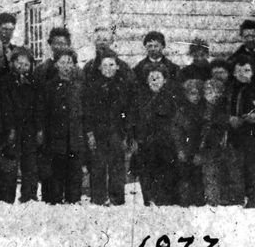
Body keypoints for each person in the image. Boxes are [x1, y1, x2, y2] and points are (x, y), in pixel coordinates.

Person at [83, 49, 131, 206]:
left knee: (117, 166)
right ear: (99, 68)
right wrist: (90, 134)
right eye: (105, 65)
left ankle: (117, 200)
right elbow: (88, 112)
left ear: (117, 66)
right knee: (98, 166)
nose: (108, 68)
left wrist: (126, 134)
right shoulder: (93, 87)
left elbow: (128, 111)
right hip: (99, 133)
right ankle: (98, 199)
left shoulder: (123, 86)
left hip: (117, 132)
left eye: (112, 64)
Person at [0, 47, 43, 203]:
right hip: (11, 129)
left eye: (26, 64)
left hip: (29, 129)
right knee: (8, 166)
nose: (22, 67)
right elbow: (5, 107)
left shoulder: (34, 83)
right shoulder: (5, 82)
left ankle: (29, 198)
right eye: (19, 63)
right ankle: (5, 200)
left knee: (30, 166)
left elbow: (38, 107)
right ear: (12, 63)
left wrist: (39, 129)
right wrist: (10, 129)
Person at [225, 54, 255, 208]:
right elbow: (218, 112)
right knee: (235, 168)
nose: (242, 74)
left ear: (252, 72)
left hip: (254, 135)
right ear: (233, 72)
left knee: (254, 168)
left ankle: (253, 199)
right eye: (238, 70)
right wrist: (229, 119)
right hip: (234, 136)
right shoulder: (228, 90)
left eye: (246, 70)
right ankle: (237, 199)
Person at [42, 49, 84, 204]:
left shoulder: (79, 87)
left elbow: (84, 113)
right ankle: (55, 202)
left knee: (74, 173)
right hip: (56, 137)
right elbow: (44, 113)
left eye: (70, 62)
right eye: (62, 62)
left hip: (74, 136)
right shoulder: (49, 87)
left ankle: (73, 202)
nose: (66, 66)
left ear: (74, 66)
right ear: (56, 65)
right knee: (56, 172)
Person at [134, 62, 179, 206]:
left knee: (166, 173)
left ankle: (165, 202)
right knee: (146, 173)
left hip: (166, 144)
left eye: (158, 77)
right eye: (151, 77)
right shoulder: (140, 98)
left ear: (165, 80)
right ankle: (149, 201)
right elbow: (134, 119)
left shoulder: (171, 98)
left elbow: (176, 121)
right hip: (145, 143)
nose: (154, 81)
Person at [171, 79, 206, 207]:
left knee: (199, 178)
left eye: (198, 94)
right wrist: (180, 149)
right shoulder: (182, 111)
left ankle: (200, 202)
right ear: (186, 94)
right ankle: (184, 202)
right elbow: (176, 131)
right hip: (186, 150)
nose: (196, 97)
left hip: (200, 150)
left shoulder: (204, 111)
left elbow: (205, 133)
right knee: (184, 177)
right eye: (192, 93)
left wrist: (201, 152)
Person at [199, 79, 232, 206]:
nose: (213, 95)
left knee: (221, 171)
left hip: (220, 143)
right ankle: (211, 198)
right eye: (209, 91)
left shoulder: (223, 108)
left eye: (217, 92)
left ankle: (221, 197)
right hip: (206, 145)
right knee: (208, 172)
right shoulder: (202, 107)